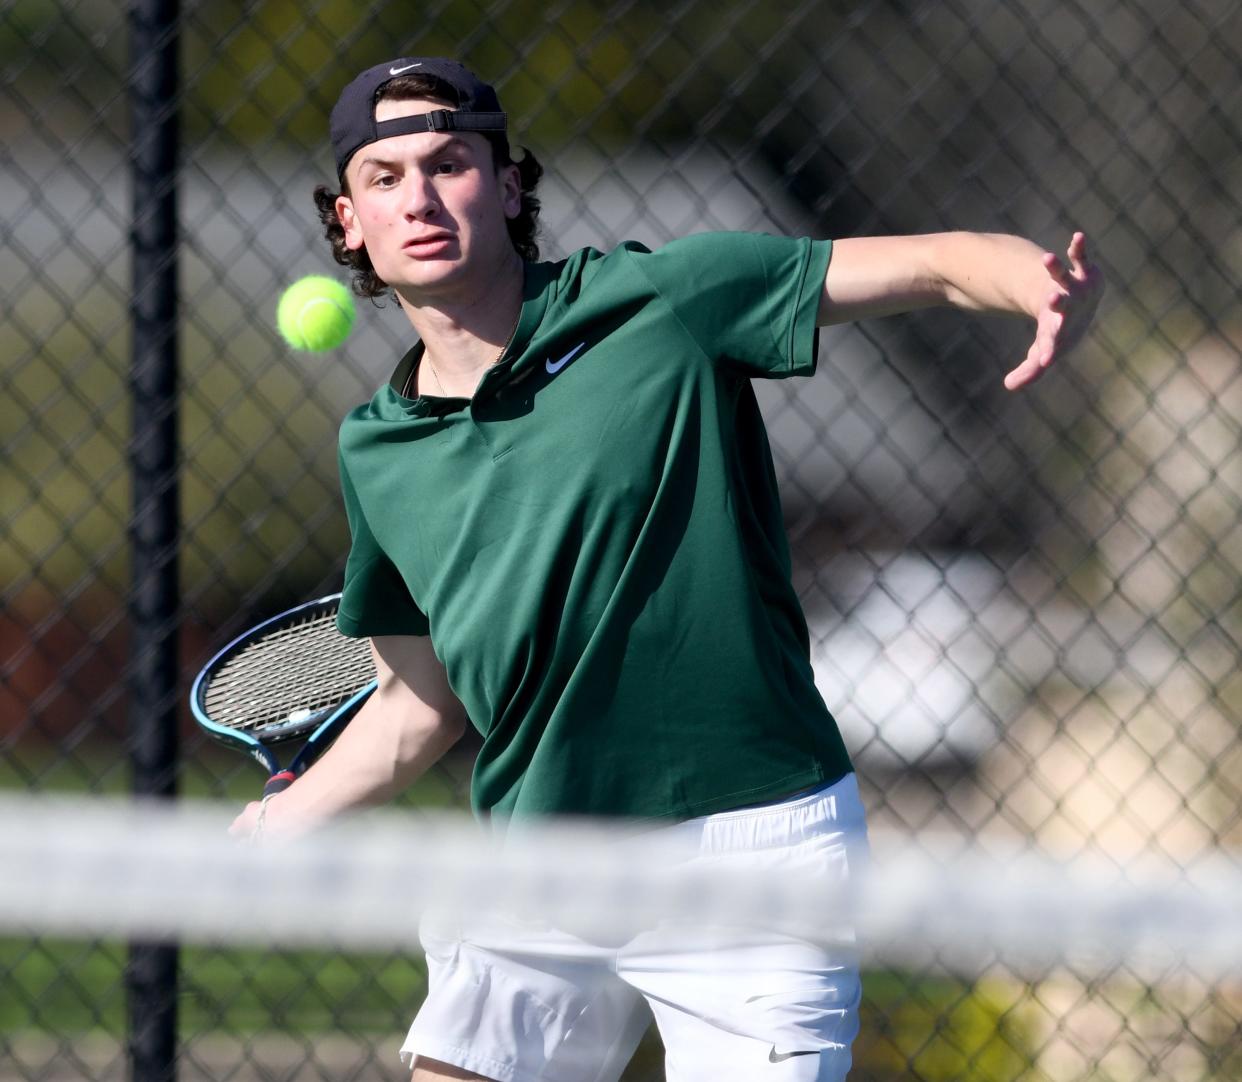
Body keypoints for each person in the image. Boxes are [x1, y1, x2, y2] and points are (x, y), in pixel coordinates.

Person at [230, 57, 1102, 1082]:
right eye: (385, 176)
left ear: (507, 190)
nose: (419, 196)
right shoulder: (377, 447)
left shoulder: (664, 301)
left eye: (451, 162)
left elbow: (936, 262)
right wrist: (284, 819)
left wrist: (1034, 282)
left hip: (756, 846)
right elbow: (420, 699)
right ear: (348, 222)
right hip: (537, 851)